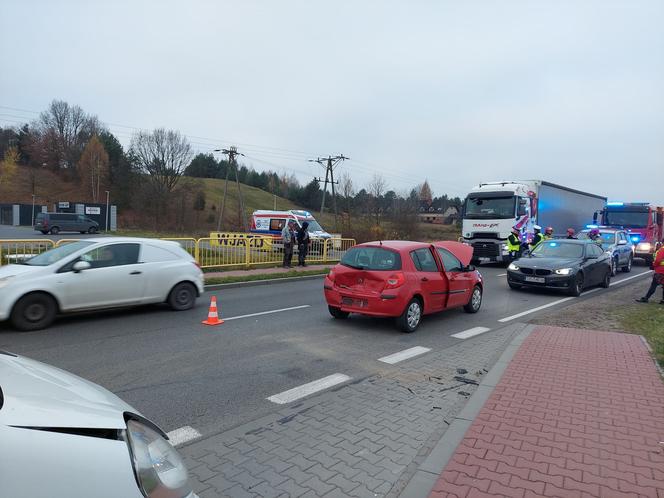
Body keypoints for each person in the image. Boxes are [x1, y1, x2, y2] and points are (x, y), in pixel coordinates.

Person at [636, 239, 664, 304]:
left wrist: (654, 265)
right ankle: (663, 300)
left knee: (653, 285)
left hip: (660, 271)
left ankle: (646, 298)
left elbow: (658, 260)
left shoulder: (662, 250)